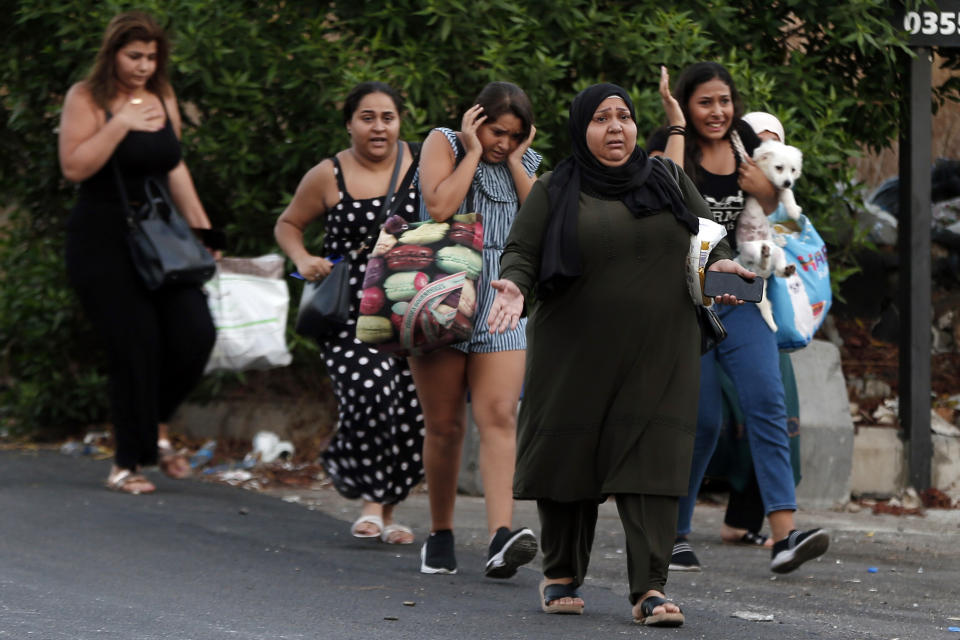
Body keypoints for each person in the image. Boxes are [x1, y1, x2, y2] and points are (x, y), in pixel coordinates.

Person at [486, 83, 747, 627]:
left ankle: (650, 589)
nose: (615, 128)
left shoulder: (667, 179)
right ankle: (560, 572)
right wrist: (512, 284)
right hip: (573, 351)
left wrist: (721, 265)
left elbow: (708, 236)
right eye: (601, 118)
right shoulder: (556, 187)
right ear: (582, 128)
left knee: (651, 462)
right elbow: (521, 251)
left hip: (660, 350)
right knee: (567, 458)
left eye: (624, 117)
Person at [648, 62, 829, 574]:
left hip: (743, 295)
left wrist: (767, 193)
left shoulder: (747, 142)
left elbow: (779, 214)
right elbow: (663, 198)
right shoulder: (670, 141)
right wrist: (674, 125)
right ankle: (675, 533)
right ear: (686, 104)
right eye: (704, 102)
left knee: (768, 404)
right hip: (686, 298)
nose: (717, 111)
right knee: (702, 422)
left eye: (724, 101)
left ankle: (784, 535)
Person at [59, 11, 216, 495]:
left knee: (195, 334)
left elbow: (174, 167)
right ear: (113, 54)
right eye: (134, 56)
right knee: (134, 346)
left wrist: (203, 228)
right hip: (101, 236)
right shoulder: (86, 98)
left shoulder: (163, 97)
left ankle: (153, 429)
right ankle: (127, 463)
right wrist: (120, 123)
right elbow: (74, 166)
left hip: (159, 236)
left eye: (151, 57)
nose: (143, 66)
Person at [274, 81, 425, 545]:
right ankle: (369, 501)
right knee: (371, 389)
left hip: (410, 305)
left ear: (400, 122)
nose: (378, 127)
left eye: (387, 117)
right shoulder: (328, 174)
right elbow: (288, 224)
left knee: (411, 408)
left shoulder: (422, 165)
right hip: (348, 311)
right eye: (367, 117)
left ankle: (391, 508)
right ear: (349, 123)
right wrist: (302, 260)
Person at [412, 81, 540, 577]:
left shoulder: (524, 163)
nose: (502, 142)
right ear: (476, 118)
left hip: (501, 301)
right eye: (495, 131)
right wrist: (470, 149)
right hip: (441, 288)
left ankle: (500, 536)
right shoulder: (443, 142)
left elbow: (539, 223)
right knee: (444, 426)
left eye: (513, 134)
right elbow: (440, 207)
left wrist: (514, 163)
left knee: (501, 415)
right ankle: (440, 532)